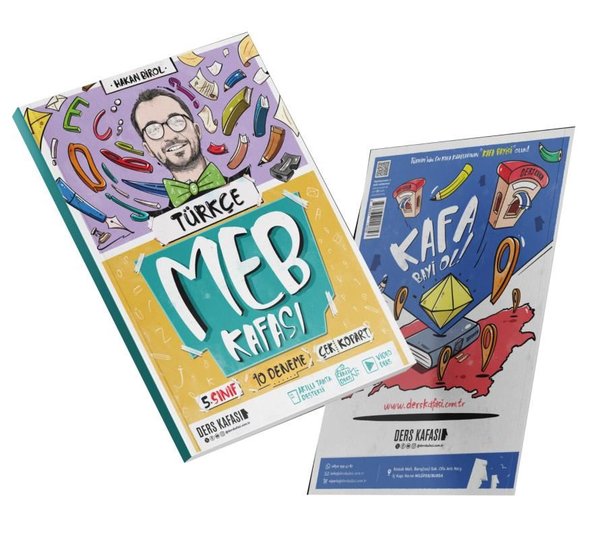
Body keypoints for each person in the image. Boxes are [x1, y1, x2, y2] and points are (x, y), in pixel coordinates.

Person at [131, 88, 246, 209]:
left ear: (197, 130)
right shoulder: (161, 218)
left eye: (176, 121)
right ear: (148, 149)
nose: (170, 135)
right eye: (153, 130)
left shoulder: (246, 185)